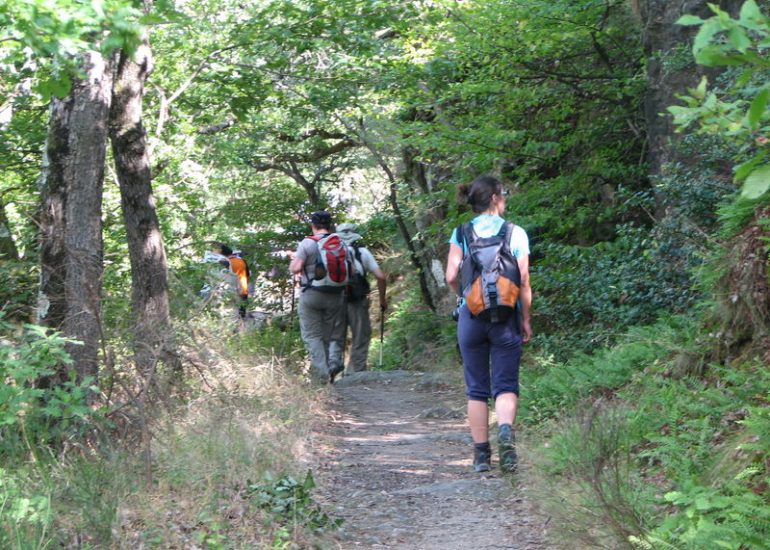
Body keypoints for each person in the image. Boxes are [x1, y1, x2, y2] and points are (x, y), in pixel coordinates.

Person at [444, 175, 532, 473]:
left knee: (476, 388)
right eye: (503, 194)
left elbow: (451, 276)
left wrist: (467, 297)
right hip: (507, 317)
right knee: (506, 384)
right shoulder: (515, 232)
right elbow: (524, 282)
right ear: (495, 197)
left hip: (472, 318)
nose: (505, 198)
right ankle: (505, 431)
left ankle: (482, 456)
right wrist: (527, 319)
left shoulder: (461, 233)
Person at [289, 211, 347, 383]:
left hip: (312, 294)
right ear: (330, 225)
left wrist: (293, 261)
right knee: (327, 335)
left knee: (312, 335)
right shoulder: (340, 243)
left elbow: (296, 268)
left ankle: (321, 376)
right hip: (335, 294)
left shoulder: (307, 243)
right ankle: (328, 371)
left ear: (313, 225)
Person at [336, 223, 388, 373]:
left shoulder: (330, 253)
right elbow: (381, 276)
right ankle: (356, 372)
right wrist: (382, 300)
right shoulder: (362, 252)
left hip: (334, 301)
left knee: (336, 337)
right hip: (357, 300)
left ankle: (333, 372)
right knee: (360, 335)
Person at [212, 242, 250, 319]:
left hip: (232, 289)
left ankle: (235, 323)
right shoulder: (243, 261)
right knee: (242, 308)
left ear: (223, 255)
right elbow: (248, 275)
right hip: (243, 287)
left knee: (233, 311)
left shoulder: (226, 263)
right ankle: (242, 319)